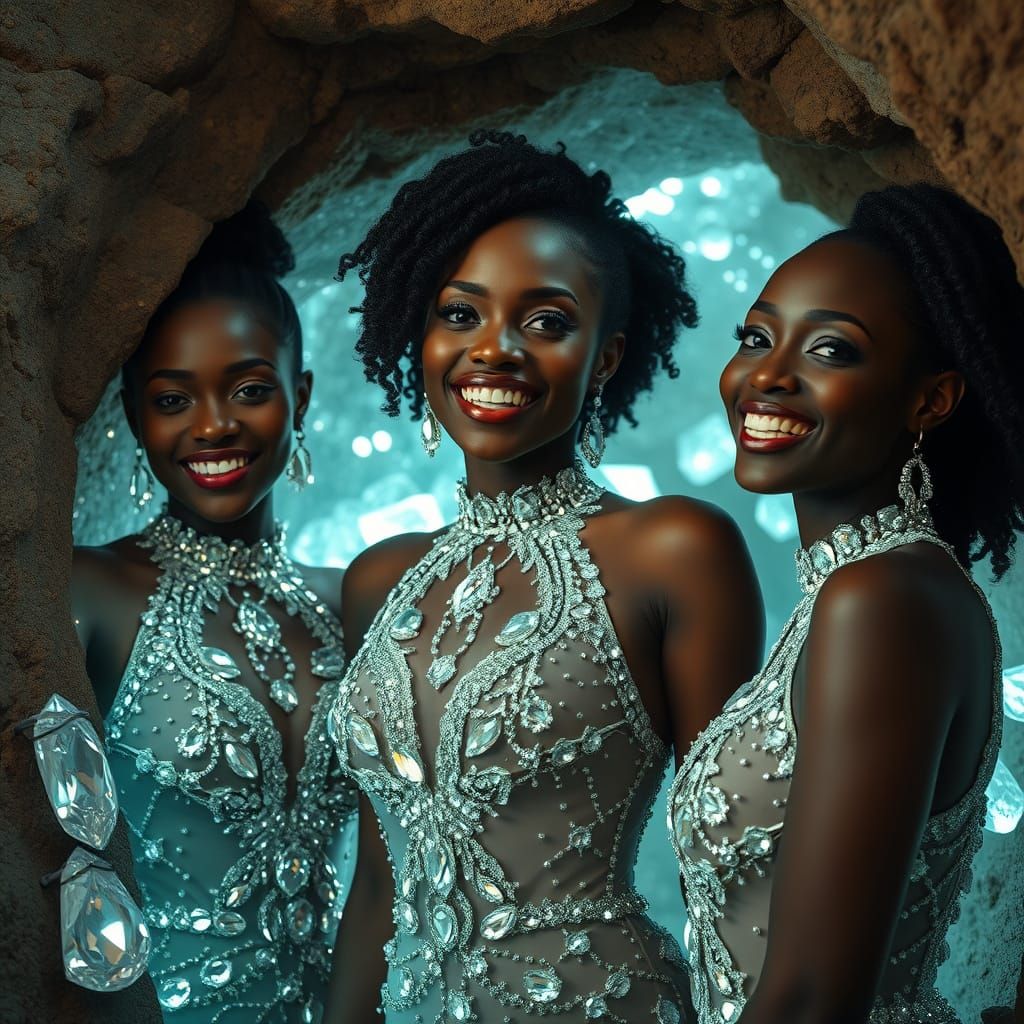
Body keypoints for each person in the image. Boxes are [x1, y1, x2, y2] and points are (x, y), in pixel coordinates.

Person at [325, 130, 765, 1023]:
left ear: (605, 358)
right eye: (460, 314)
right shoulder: (381, 579)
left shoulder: (672, 549)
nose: (493, 350)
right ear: (418, 334)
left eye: (547, 321)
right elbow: (377, 887)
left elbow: (734, 868)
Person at [668, 183, 1021, 1023]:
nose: (766, 376)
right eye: (755, 337)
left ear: (929, 400)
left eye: (830, 350)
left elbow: (814, 1000)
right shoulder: (862, 592)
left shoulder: (886, 598)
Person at [71, 201, 356, 1023]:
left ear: (301, 395)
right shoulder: (90, 589)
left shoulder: (351, 602)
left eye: (250, 389)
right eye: (172, 399)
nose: (214, 425)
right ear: (130, 415)